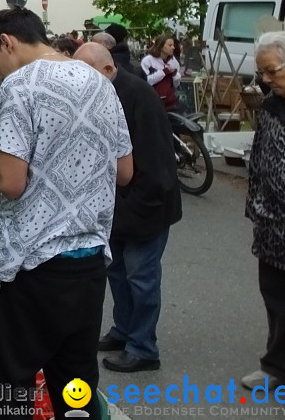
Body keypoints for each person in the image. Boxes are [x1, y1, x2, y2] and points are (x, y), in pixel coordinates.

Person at [0, 7, 133, 420]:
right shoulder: (100, 83)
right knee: (76, 383)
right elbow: (125, 171)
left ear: (7, 42)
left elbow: (11, 182)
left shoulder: (19, 86)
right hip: (88, 259)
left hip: (27, 263)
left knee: (7, 388)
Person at [74, 43, 182, 373]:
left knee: (141, 278)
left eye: (86, 74)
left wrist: (136, 207)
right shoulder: (105, 93)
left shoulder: (137, 96)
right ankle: (124, 331)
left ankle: (143, 346)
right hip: (118, 206)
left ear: (108, 70)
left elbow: (155, 162)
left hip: (144, 206)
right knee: (118, 274)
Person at [241, 32, 285, 392]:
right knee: (278, 302)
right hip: (275, 226)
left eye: (272, 71)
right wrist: (256, 208)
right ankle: (277, 367)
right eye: (262, 73)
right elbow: (258, 161)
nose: (265, 80)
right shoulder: (272, 107)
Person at [141, 33, 182, 111]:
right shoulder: (148, 61)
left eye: (173, 45)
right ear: (161, 46)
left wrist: (175, 75)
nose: (173, 47)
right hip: (153, 103)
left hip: (170, 103)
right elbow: (146, 82)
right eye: (170, 45)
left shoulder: (174, 61)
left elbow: (176, 85)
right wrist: (163, 72)